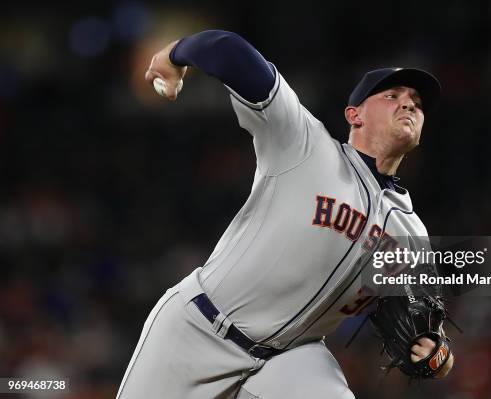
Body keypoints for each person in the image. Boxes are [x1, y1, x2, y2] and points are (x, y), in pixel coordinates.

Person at [117, 29, 454, 399]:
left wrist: (435, 350)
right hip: (199, 328)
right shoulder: (305, 146)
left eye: (417, 102)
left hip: (291, 357)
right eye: (393, 96)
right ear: (354, 114)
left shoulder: (410, 230)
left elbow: (420, 320)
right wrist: (174, 53)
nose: (409, 105)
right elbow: (230, 51)